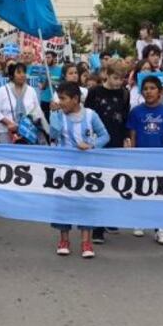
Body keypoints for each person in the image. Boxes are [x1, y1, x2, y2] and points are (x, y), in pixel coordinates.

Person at [49, 82, 110, 259]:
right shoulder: (59, 114)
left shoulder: (91, 115)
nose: (60, 102)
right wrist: (53, 115)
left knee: (86, 203)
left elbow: (105, 136)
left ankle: (86, 241)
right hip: (63, 168)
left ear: (75, 99)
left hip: (86, 168)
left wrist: (91, 145)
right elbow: (53, 134)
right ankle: (64, 240)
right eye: (58, 98)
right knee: (63, 204)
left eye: (63, 98)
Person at [84, 62, 131, 244]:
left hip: (116, 141)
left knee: (113, 181)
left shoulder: (124, 94)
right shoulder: (95, 92)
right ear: (107, 75)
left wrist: (126, 137)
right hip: (97, 142)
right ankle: (97, 227)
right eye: (115, 78)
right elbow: (87, 116)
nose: (119, 82)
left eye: (122, 79)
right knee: (98, 181)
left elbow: (125, 117)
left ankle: (109, 219)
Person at [126, 76, 163, 245]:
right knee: (140, 189)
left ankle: (160, 228)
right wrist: (132, 154)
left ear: (160, 91)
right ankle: (139, 221)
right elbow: (132, 135)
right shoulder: (136, 112)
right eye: (145, 88)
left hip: (160, 159)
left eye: (152, 88)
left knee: (159, 193)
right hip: (140, 158)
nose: (148, 91)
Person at [0, 63, 46, 145]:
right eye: (19, 72)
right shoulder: (2, 90)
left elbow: (37, 110)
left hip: (27, 131)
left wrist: (32, 121)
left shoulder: (31, 90)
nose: (22, 75)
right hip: (7, 131)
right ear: (11, 75)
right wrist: (9, 123)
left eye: (24, 72)